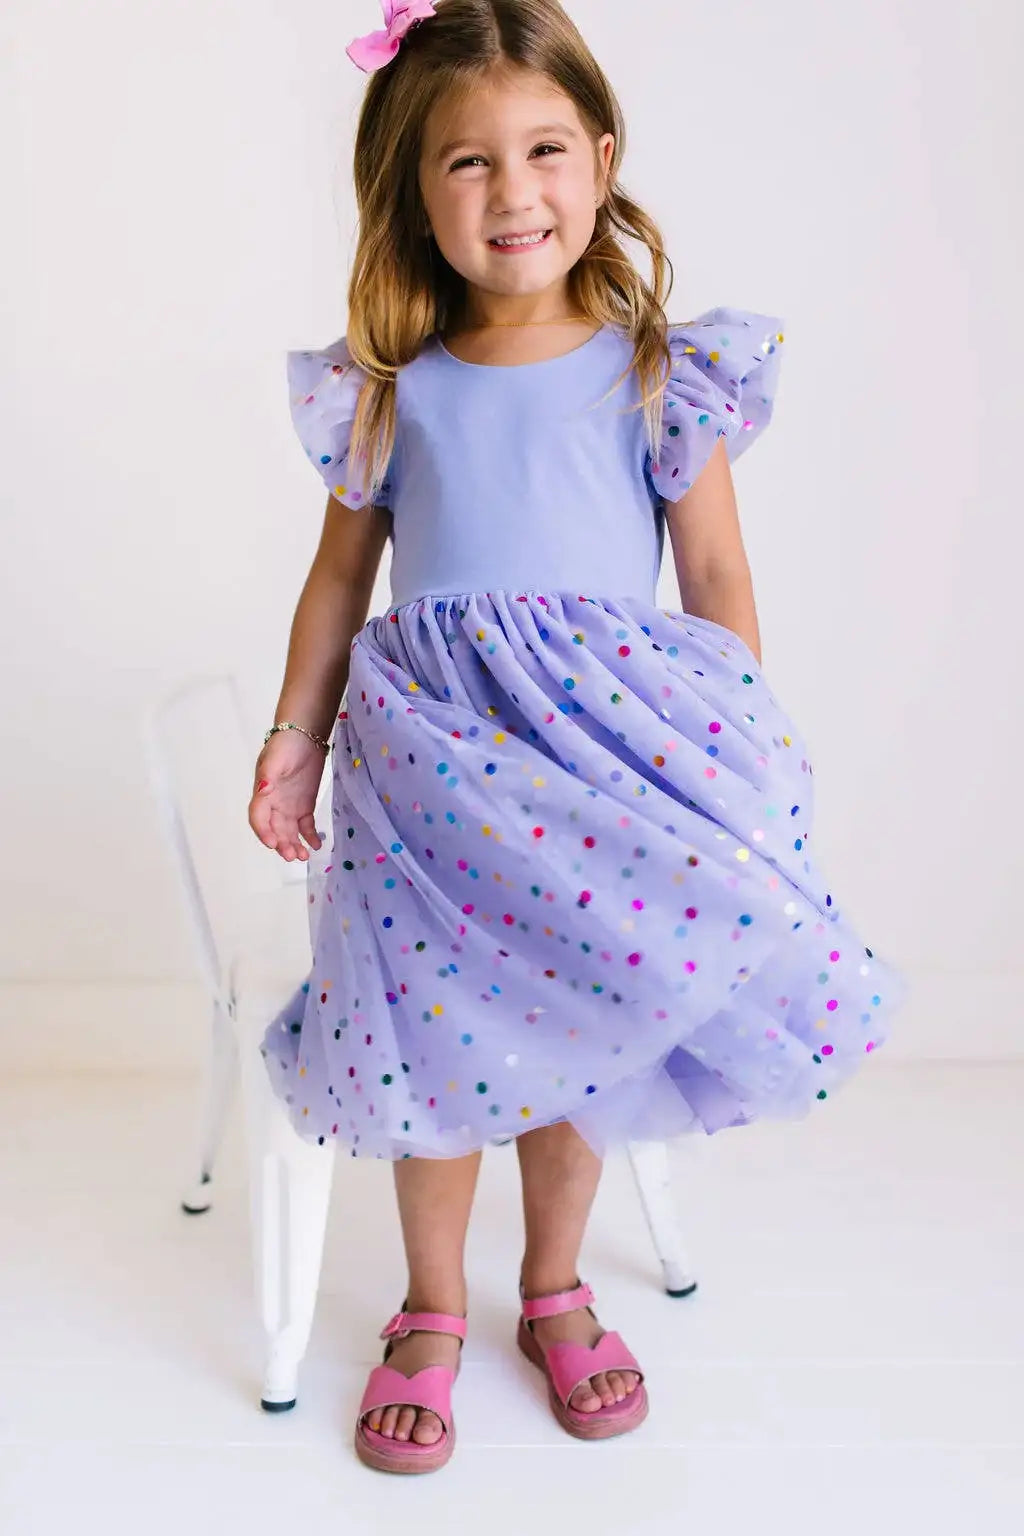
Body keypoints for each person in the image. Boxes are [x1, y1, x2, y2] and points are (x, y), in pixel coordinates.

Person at [248, 0, 906, 1476]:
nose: (513, 190)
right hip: (425, 771)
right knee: (434, 1037)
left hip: (604, 768)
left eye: (545, 149)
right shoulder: (390, 386)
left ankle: (552, 1284)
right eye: (467, 161)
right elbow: (339, 582)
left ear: (602, 161)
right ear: (413, 189)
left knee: (576, 1030)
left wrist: (736, 750)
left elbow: (717, 578)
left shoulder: (661, 370)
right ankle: (429, 1306)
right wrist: (296, 734)